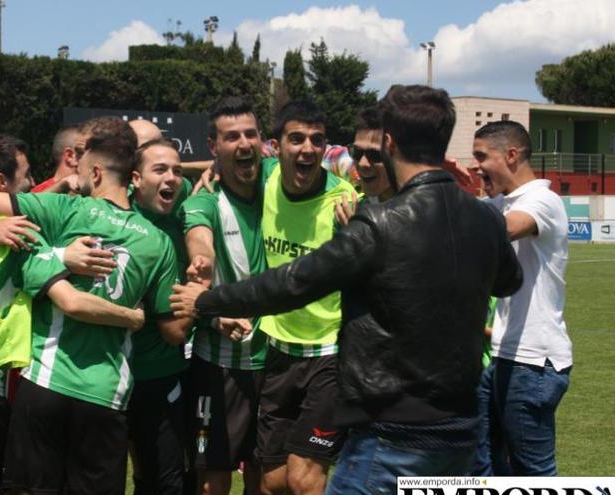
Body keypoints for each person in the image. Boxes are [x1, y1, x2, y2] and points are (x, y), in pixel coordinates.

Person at [170, 85, 524, 493]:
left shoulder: (377, 221)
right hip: (461, 419)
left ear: (389, 141)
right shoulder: (480, 216)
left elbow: (293, 283)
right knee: (273, 480)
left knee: (308, 478)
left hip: (394, 424)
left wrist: (208, 300)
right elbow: (508, 279)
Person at [0, 118, 191, 495]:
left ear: (95, 171)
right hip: (106, 393)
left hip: (46, 384)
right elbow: (172, 330)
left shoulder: (62, 210)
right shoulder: (159, 244)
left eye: (80, 167)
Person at [0, 134, 146, 495]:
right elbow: (70, 299)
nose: (34, 184)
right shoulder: (20, 234)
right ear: (1, 184)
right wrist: (129, 314)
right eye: (27, 175)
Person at [255, 100, 358, 495]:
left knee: (303, 478)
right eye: (296, 139)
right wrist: (209, 172)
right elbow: (227, 166)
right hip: (278, 352)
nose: (307, 149)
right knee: (271, 482)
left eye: (317, 140)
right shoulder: (261, 180)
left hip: (328, 355)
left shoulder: (344, 200)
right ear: (276, 146)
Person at [469, 120, 572, 476]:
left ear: (511, 155)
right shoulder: (500, 202)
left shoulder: (542, 199)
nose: (476, 166)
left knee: (534, 472)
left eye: (482, 156)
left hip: (534, 361)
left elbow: (505, 230)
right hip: (503, 356)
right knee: (480, 460)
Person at [179, 96, 267, 495]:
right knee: (212, 476)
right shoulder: (203, 200)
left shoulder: (282, 181)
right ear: (214, 147)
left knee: (265, 476)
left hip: (277, 361)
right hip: (217, 367)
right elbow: (200, 239)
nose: (244, 143)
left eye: (251, 134)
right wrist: (202, 262)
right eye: (232, 137)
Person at [126, 138, 192, 495]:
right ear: (135, 178)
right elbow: (174, 330)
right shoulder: (116, 220)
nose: (172, 178)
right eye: (160, 170)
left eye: (177, 171)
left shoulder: (181, 207)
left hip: (164, 375)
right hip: (113, 377)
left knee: (168, 480)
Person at [31, 124, 81, 192]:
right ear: (70, 155)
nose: (95, 156)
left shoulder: (94, 191)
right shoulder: (37, 195)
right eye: (89, 151)